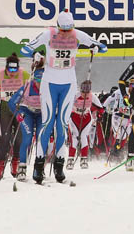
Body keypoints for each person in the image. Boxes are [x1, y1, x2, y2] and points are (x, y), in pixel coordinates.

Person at [22, 11, 107, 184]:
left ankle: (59, 166)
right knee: (46, 124)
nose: (66, 34)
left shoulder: (78, 35)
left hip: (68, 84)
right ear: (57, 27)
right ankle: (39, 167)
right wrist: (35, 55)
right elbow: (25, 48)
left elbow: (103, 46)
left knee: (62, 123)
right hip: (49, 83)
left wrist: (96, 47)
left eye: (69, 30)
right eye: (63, 30)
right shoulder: (48, 34)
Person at [0, 53, 27, 180]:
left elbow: (32, 88)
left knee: (19, 137)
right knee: (4, 137)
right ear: (6, 68)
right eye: (10, 69)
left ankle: (15, 162)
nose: (12, 73)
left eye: (15, 69)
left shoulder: (24, 75)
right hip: (5, 107)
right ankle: (0, 164)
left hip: (19, 107)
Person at [8, 64, 45, 182]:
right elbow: (11, 102)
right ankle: (22, 167)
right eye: (38, 81)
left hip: (41, 114)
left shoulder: (49, 88)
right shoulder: (28, 86)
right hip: (27, 112)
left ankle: (39, 167)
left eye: (43, 82)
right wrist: (18, 114)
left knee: (41, 137)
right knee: (27, 137)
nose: (40, 85)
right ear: (34, 80)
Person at [66, 80, 101, 169]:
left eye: (87, 92)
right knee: (74, 137)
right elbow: (67, 104)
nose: (85, 95)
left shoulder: (92, 96)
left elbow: (100, 108)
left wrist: (100, 114)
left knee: (84, 137)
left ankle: (84, 159)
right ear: (80, 90)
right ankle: (70, 159)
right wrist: (67, 112)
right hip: (75, 118)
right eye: (83, 92)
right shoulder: (75, 96)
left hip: (86, 119)